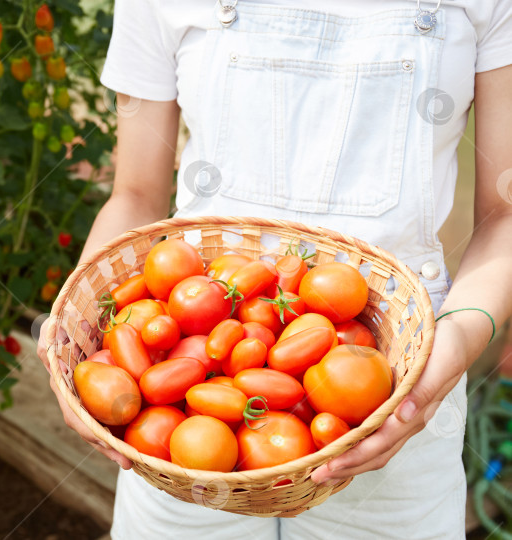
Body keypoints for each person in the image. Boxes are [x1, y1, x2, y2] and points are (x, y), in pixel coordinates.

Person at [38, 0, 512, 538]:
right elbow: (135, 193)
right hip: (181, 430)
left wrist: (456, 343)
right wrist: (77, 326)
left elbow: (505, 217)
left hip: (396, 391)